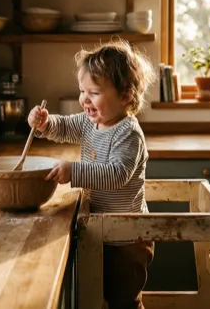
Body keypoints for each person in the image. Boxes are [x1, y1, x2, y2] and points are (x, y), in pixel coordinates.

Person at [27, 38, 157, 309]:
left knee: (124, 301)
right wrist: (44, 123)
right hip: (102, 229)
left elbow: (116, 175)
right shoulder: (90, 122)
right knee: (101, 295)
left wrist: (73, 171)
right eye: (82, 90)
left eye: (94, 92)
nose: (85, 99)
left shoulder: (128, 133)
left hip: (128, 238)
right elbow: (63, 128)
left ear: (125, 95)